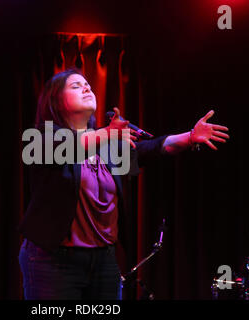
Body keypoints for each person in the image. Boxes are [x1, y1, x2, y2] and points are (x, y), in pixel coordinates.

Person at [18, 68, 229, 300]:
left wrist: (189, 137)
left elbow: (151, 148)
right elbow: (63, 148)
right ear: (55, 101)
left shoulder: (106, 144)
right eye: (76, 86)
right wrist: (108, 134)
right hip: (53, 260)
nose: (86, 87)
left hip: (102, 260)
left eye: (87, 84)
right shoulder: (40, 138)